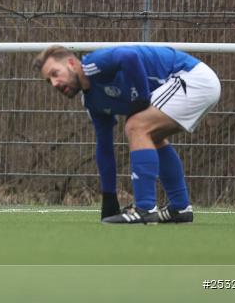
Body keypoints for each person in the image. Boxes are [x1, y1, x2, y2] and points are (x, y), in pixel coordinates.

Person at [34, 44, 221, 224]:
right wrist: (109, 198)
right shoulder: (92, 102)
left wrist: (141, 97)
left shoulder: (94, 64)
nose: (54, 83)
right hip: (196, 83)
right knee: (152, 137)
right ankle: (180, 208)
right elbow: (105, 148)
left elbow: (129, 56)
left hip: (193, 78)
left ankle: (145, 208)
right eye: (49, 81)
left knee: (136, 127)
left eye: (55, 73)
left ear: (72, 63)